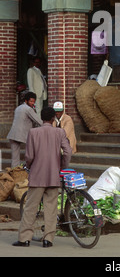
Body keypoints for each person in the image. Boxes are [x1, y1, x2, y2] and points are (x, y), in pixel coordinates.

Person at [12, 106, 72, 248]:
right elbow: (68, 152)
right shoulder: (59, 132)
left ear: (42, 117)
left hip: (37, 175)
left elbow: (29, 156)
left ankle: (25, 239)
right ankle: (48, 240)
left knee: (30, 208)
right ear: (53, 119)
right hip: (53, 176)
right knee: (51, 208)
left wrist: (30, 165)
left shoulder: (33, 132)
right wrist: (62, 166)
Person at [7, 91, 43, 168]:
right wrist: (49, 126)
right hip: (23, 135)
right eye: (31, 101)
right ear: (26, 101)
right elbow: (38, 121)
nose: (33, 103)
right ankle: (31, 169)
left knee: (15, 158)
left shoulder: (18, 108)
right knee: (31, 154)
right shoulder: (28, 109)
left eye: (34, 101)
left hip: (13, 134)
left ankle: (15, 173)